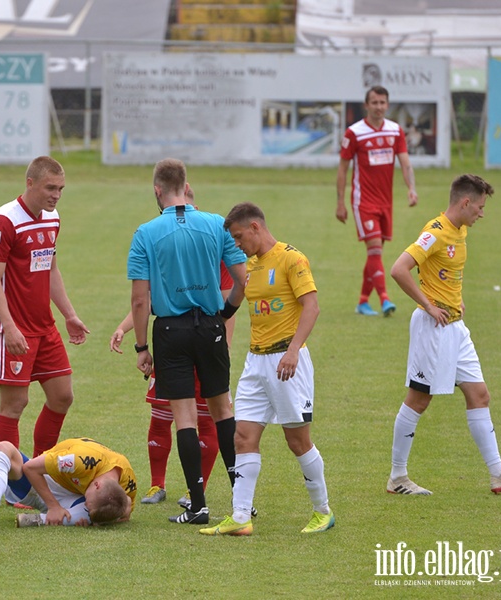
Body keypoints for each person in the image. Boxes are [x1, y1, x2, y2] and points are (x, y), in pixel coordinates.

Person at [386, 174, 501, 496]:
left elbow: (445, 272)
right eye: (479, 207)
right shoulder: (434, 233)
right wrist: (428, 304)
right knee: (418, 400)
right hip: (434, 329)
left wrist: (455, 297)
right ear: (465, 202)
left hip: (455, 328)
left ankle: (498, 474)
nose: (482, 213)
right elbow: (398, 269)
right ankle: (397, 477)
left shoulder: (461, 230)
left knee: (479, 395)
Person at [127, 158, 246, 526]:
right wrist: (223, 317)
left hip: (170, 332)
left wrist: (142, 348)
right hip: (209, 327)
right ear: (185, 185)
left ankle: (198, 506)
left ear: (157, 190)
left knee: (184, 418)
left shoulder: (145, 233)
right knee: (223, 411)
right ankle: (242, 500)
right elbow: (243, 280)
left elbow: (139, 300)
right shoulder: (216, 225)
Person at [206, 202, 333, 537]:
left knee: (297, 440)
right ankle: (240, 516)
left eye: (238, 236)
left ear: (255, 227)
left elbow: (312, 306)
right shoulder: (250, 267)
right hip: (255, 362)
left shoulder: (292, 258)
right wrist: (210, 324)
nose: (236, 243)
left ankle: (323, 512)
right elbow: (232, 303)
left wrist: (292, 351)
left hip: (287, 362)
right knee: (242, 437)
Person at [0, 156, 89, 458]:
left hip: (44, 326)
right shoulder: (4, 221)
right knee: (15, 404)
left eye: (61, 189)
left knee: (62, 396)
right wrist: (11, 328)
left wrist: (69, 315)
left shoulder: (52, 218)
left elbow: (50, 270)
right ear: (30, 183)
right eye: (50, 188)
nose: (56, 195)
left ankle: (39, 470)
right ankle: (13, 483)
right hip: (13, 329)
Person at [336, 85, 417, 317]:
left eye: (383, 102)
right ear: (367, 105)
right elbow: (342, 170)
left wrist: (411, 188)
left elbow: (405, 162)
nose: (379, 107)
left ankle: (362, 301)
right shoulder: (354, 133)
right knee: (375, 252)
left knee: (375, 254)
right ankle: (384, 299)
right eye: (375, 102)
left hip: (385, 203)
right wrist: (340, 202)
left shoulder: (394, 131)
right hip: (363, 202)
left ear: (387, 105)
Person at [0, 437, 136, 533]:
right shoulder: (80, 460)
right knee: (3, 447)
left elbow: (126, 513)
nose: (87, 503)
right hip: (42, 482)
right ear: (97, 485)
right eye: (88, 502)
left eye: (88, 505)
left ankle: (37, 520)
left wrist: (98, 520)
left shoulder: (127, 483)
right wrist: (53, 505)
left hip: (70, 505)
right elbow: (30, 468)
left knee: (121, 506)